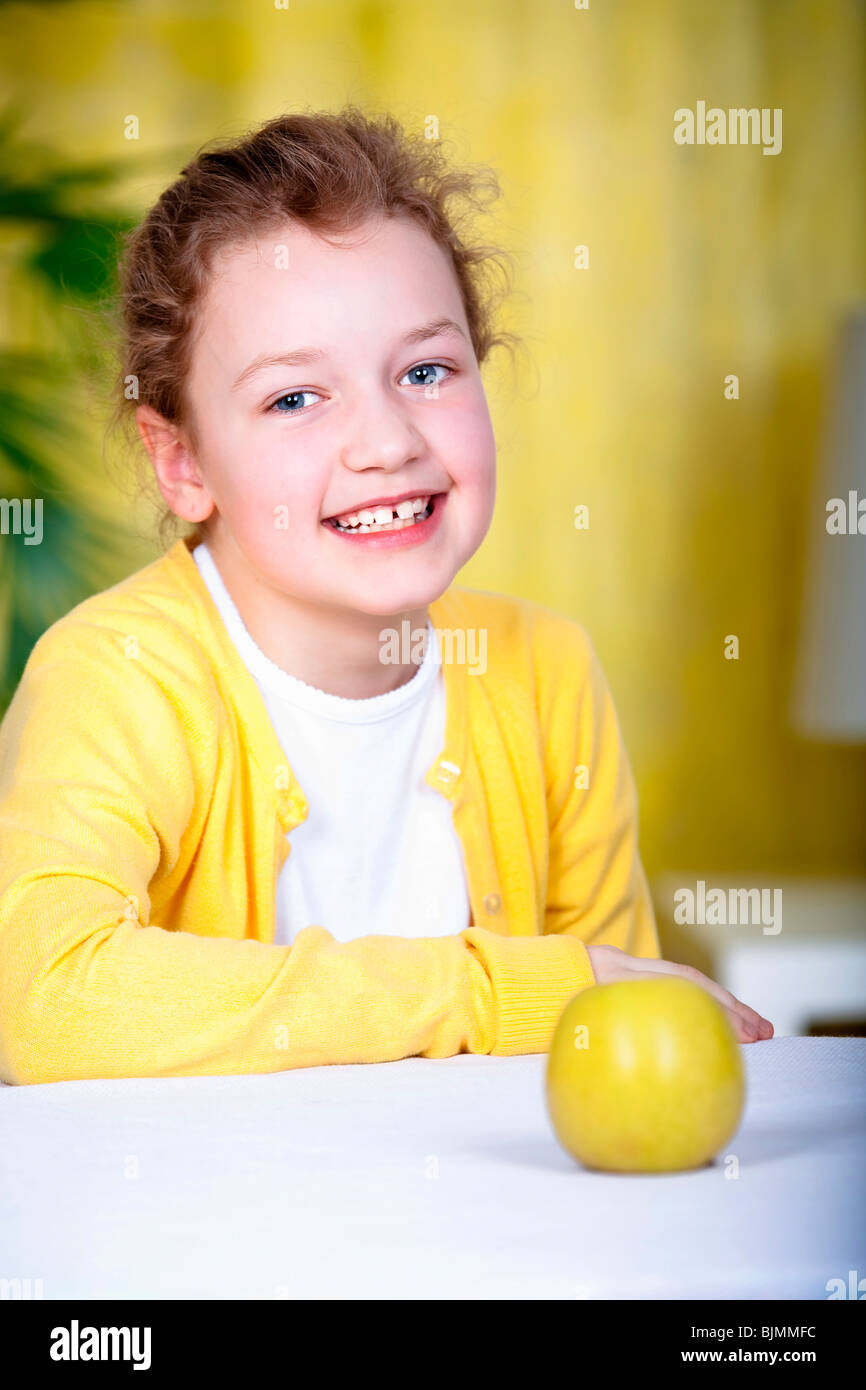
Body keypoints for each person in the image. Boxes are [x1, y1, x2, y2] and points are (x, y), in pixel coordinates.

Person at [0, 107, 772, 1084]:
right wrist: (483, 990)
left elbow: (608, 1029)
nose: (387, 442)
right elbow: (41, 1000)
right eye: (294, 397)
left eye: (424, 370)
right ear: (183, 460)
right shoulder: (117, 676)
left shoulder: (546, 672)